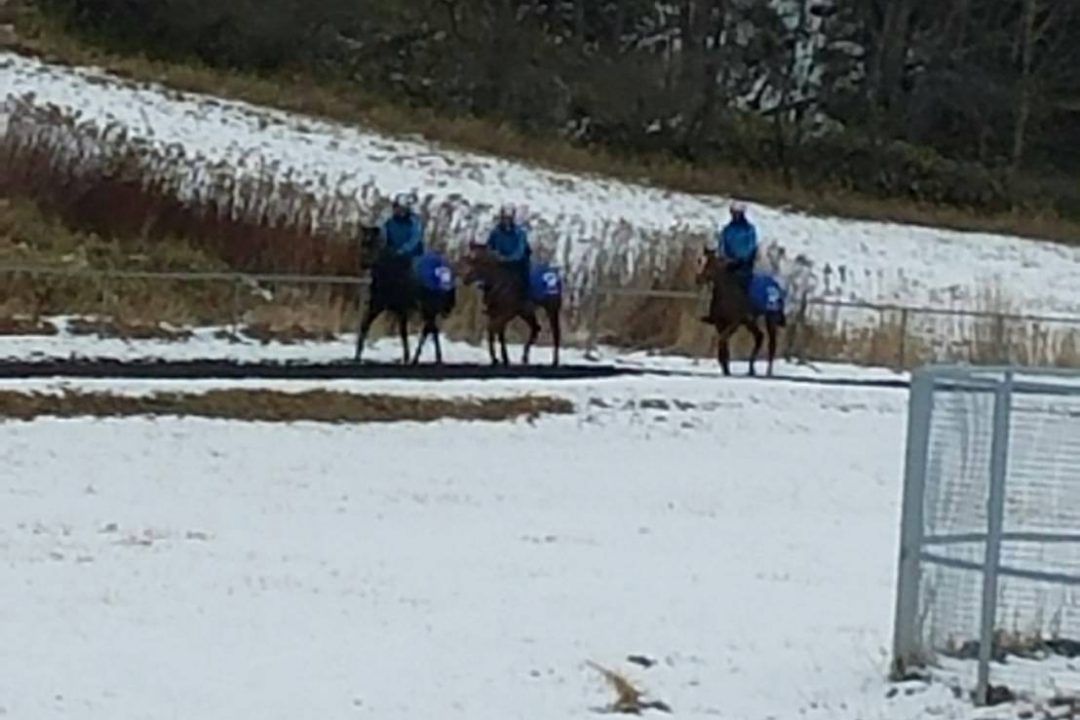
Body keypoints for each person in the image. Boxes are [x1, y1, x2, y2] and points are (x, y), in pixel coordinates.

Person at [486, 204, 532, 302]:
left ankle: (524, 300)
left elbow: (520, 251)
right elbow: (489, 245)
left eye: (508, 218)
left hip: (517, 264)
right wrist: (494, 254)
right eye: (504, 218)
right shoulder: (496, 232)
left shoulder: (520, 233)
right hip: (499, 262)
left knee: (523, 279)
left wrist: (507, 259)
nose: (506, 221)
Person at [717, 201, 758, 294]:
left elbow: (750, 248)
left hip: (744, 270)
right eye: (733, 213)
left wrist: (738, 260)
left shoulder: (749, 230)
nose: (735, 215)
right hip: (728, 269)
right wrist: (724, 259)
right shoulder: (727, 229)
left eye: (738, 213)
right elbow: (721, 246)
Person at [380, 193, 425, 260]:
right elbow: (384, 235)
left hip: (412, 257)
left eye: (401, 208)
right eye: (396, 207)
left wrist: (403, 250)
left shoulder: (414, 221)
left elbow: (415, 238)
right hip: (393, 256)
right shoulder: (389, 220)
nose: (398, 210)